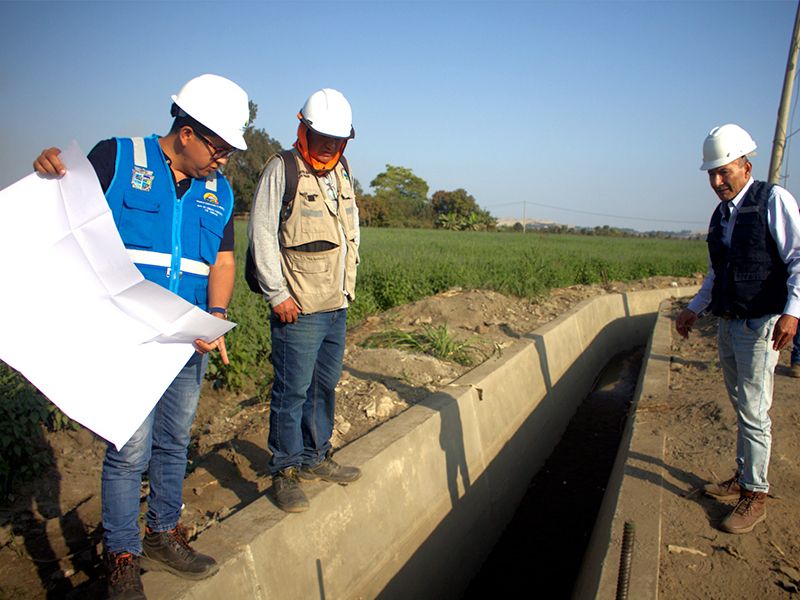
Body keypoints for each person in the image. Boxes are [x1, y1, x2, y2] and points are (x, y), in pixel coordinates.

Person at [33, 74, 249, 599]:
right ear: (189, 132)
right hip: (129, 341)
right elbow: (61, 206)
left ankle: (160, 534)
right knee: (129, 450)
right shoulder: (119, 158)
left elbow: (221, 259)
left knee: (175, 441)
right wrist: (46, 172)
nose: (222, 159)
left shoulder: (218, 189)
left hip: (188, 339)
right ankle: (122, 554)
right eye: (219, 146)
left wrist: (216, 312)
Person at [675, 124, 800, 534]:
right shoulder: (722, 215)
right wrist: (694, 308)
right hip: (729, 324)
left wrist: (793, 312)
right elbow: (717, 272)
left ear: (745, 166)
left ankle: (755, 495)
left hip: (761, 325)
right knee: (742, 408)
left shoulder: (773, 200)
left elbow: (798, 259)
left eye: (723, 171)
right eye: (711, 174)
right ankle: (744, 477)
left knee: (753, 412)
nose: (716, 181)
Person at [248, 88, 362, 513]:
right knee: (291, 390)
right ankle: (285, 469)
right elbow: (261, 232)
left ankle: (316, 456)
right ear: (305, 129)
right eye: (324, 137)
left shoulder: (342, 170)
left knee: (324, 386)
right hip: (298, 305)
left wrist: (347, 289)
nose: (331, 146)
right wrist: (277, 294)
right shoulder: (283, 168)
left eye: (339, 139)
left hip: (336, 303)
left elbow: (350, 229)